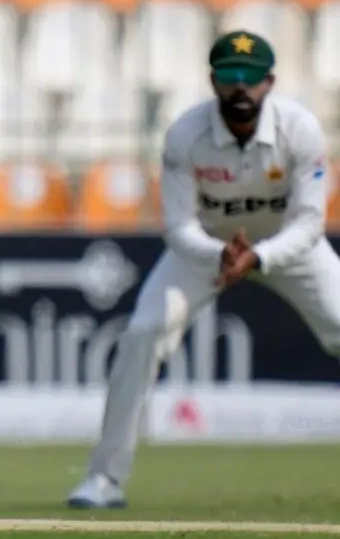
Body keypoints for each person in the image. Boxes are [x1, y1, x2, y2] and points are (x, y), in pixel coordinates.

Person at [67, 30, 340, 509]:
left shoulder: (300, 130)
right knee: (143, 334)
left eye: (251, 78)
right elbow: (178, 227)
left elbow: (310, 222)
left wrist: (260, 256)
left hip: (287, 249)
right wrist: (220, 255)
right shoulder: (186, 135)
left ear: (270, 82)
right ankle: (104, 479)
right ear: (213, 81)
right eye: (230, 77)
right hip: (206, 251)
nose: (241, 88)